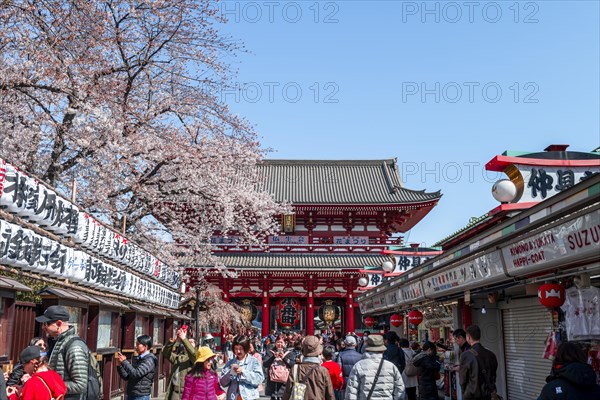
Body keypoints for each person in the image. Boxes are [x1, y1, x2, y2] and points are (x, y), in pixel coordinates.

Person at [35, 305, 89, 399]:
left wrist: (49, 384)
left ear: (59, 324)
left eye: (46, 324)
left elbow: (80, 385)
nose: (43, 327)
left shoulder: (74, 347)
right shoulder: (55, 342)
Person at [344, 334, 405, 400]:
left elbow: (351, 392)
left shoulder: (359, 366)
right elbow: (400, 390)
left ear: (366, 349)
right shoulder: (391, 367)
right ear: (382, 350)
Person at [282, 335, 334, 400]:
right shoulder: (323, 370)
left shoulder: (296, 368)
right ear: (319, 353)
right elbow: (330, 394)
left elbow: (288, 391)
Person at [459, 325, 498, 400]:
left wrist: (465, 393)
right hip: (488, 395)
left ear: (469, 337)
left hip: (473, 395)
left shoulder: (466, 355)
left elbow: (462, 380)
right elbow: (493, 376)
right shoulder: (491, 354)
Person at [220, 335, 264, 400]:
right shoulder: (230, 363)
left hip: (249, 397)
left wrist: (243, 372)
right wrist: (230, 373)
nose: (238, 351)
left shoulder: (254, 361)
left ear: (246, 348)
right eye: (236, 348)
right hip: (233, 396)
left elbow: (259, 379)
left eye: (240, 349)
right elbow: (223, 383)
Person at [117, 335, 158, 400]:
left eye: (138, 344)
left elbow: (136, 374)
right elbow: (127, 376)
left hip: (141, 396)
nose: (136, 346)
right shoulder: (139, 358)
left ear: (145, 346)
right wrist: (120, 365)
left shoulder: (149, 360)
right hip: (132, 394)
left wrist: (124, 362)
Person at [164, 326, 197, 400]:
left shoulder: (196, 358)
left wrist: (184, 339)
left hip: (187, 393)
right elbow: (166, 353)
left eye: (191, 342)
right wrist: (173, 340)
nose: (189, 343)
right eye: (188, 342)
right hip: (175, 392)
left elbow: (193, 353)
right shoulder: (179, 357)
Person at [337, 335, 363, 400]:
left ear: (345, 344)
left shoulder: (340, 355)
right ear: (355, 344)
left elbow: (339, 371)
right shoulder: (361, 356)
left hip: (344, 384)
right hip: (357, 383)